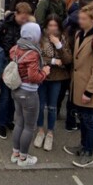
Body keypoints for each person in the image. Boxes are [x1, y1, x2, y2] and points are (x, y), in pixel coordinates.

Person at [64, 4, 93, 168]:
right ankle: (82, 146)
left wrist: (89, 92)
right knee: (82, 118)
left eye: (83, 18)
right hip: (77, 85)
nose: (79, 21)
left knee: (89, 120)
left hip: (87, 87)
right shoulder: (79, 34)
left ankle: (89, 152)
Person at [9, 22, 50, 167]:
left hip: (16, 90)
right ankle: (23, 158)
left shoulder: (15, 48)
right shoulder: (33, 53)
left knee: (19, 123)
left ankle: (15, 154)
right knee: (29, 127)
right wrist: (44, 72)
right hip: (29, 93)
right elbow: (34, 77)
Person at [0, 2, 34, 139]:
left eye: (26, 18)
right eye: (22, 18)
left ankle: (9, 120)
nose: (24, 20)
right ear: (16, 14)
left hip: (20, 66)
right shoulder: (3, 25)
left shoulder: (26, 27)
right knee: (5, 95)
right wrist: (1, 58)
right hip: (6, 66)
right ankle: (1, 124)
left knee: (14, 96)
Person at [34, 15, 72, 152]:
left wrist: (58, 45)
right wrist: (53, 61)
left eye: (55, 25)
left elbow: (68, 59)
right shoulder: (40, 38)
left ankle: (50, 132)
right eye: (50, 25)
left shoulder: (63, 38)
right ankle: (40, 130)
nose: (52, 28)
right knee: (40, 105)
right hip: (42, 76)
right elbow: (37, 56)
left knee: (52, 106)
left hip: (57, 77)